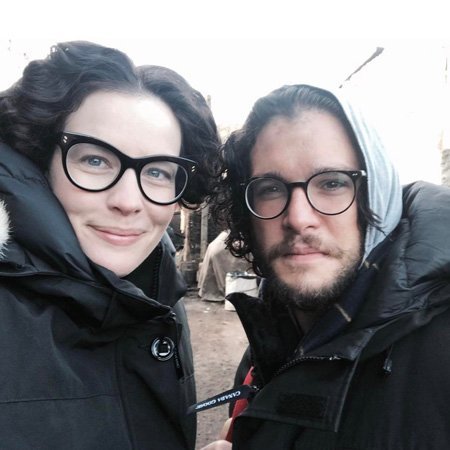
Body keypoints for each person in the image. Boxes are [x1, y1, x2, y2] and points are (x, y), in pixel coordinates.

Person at [203, 84, 450, 449]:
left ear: (376, 195)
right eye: (270, 188)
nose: (298, 218)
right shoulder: (270, 340)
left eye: (332, 183)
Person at [0, 40, 220, 449]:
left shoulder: (157, 291)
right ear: (40, 160)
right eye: (96, 160)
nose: (128, 201)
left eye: (157, 171)